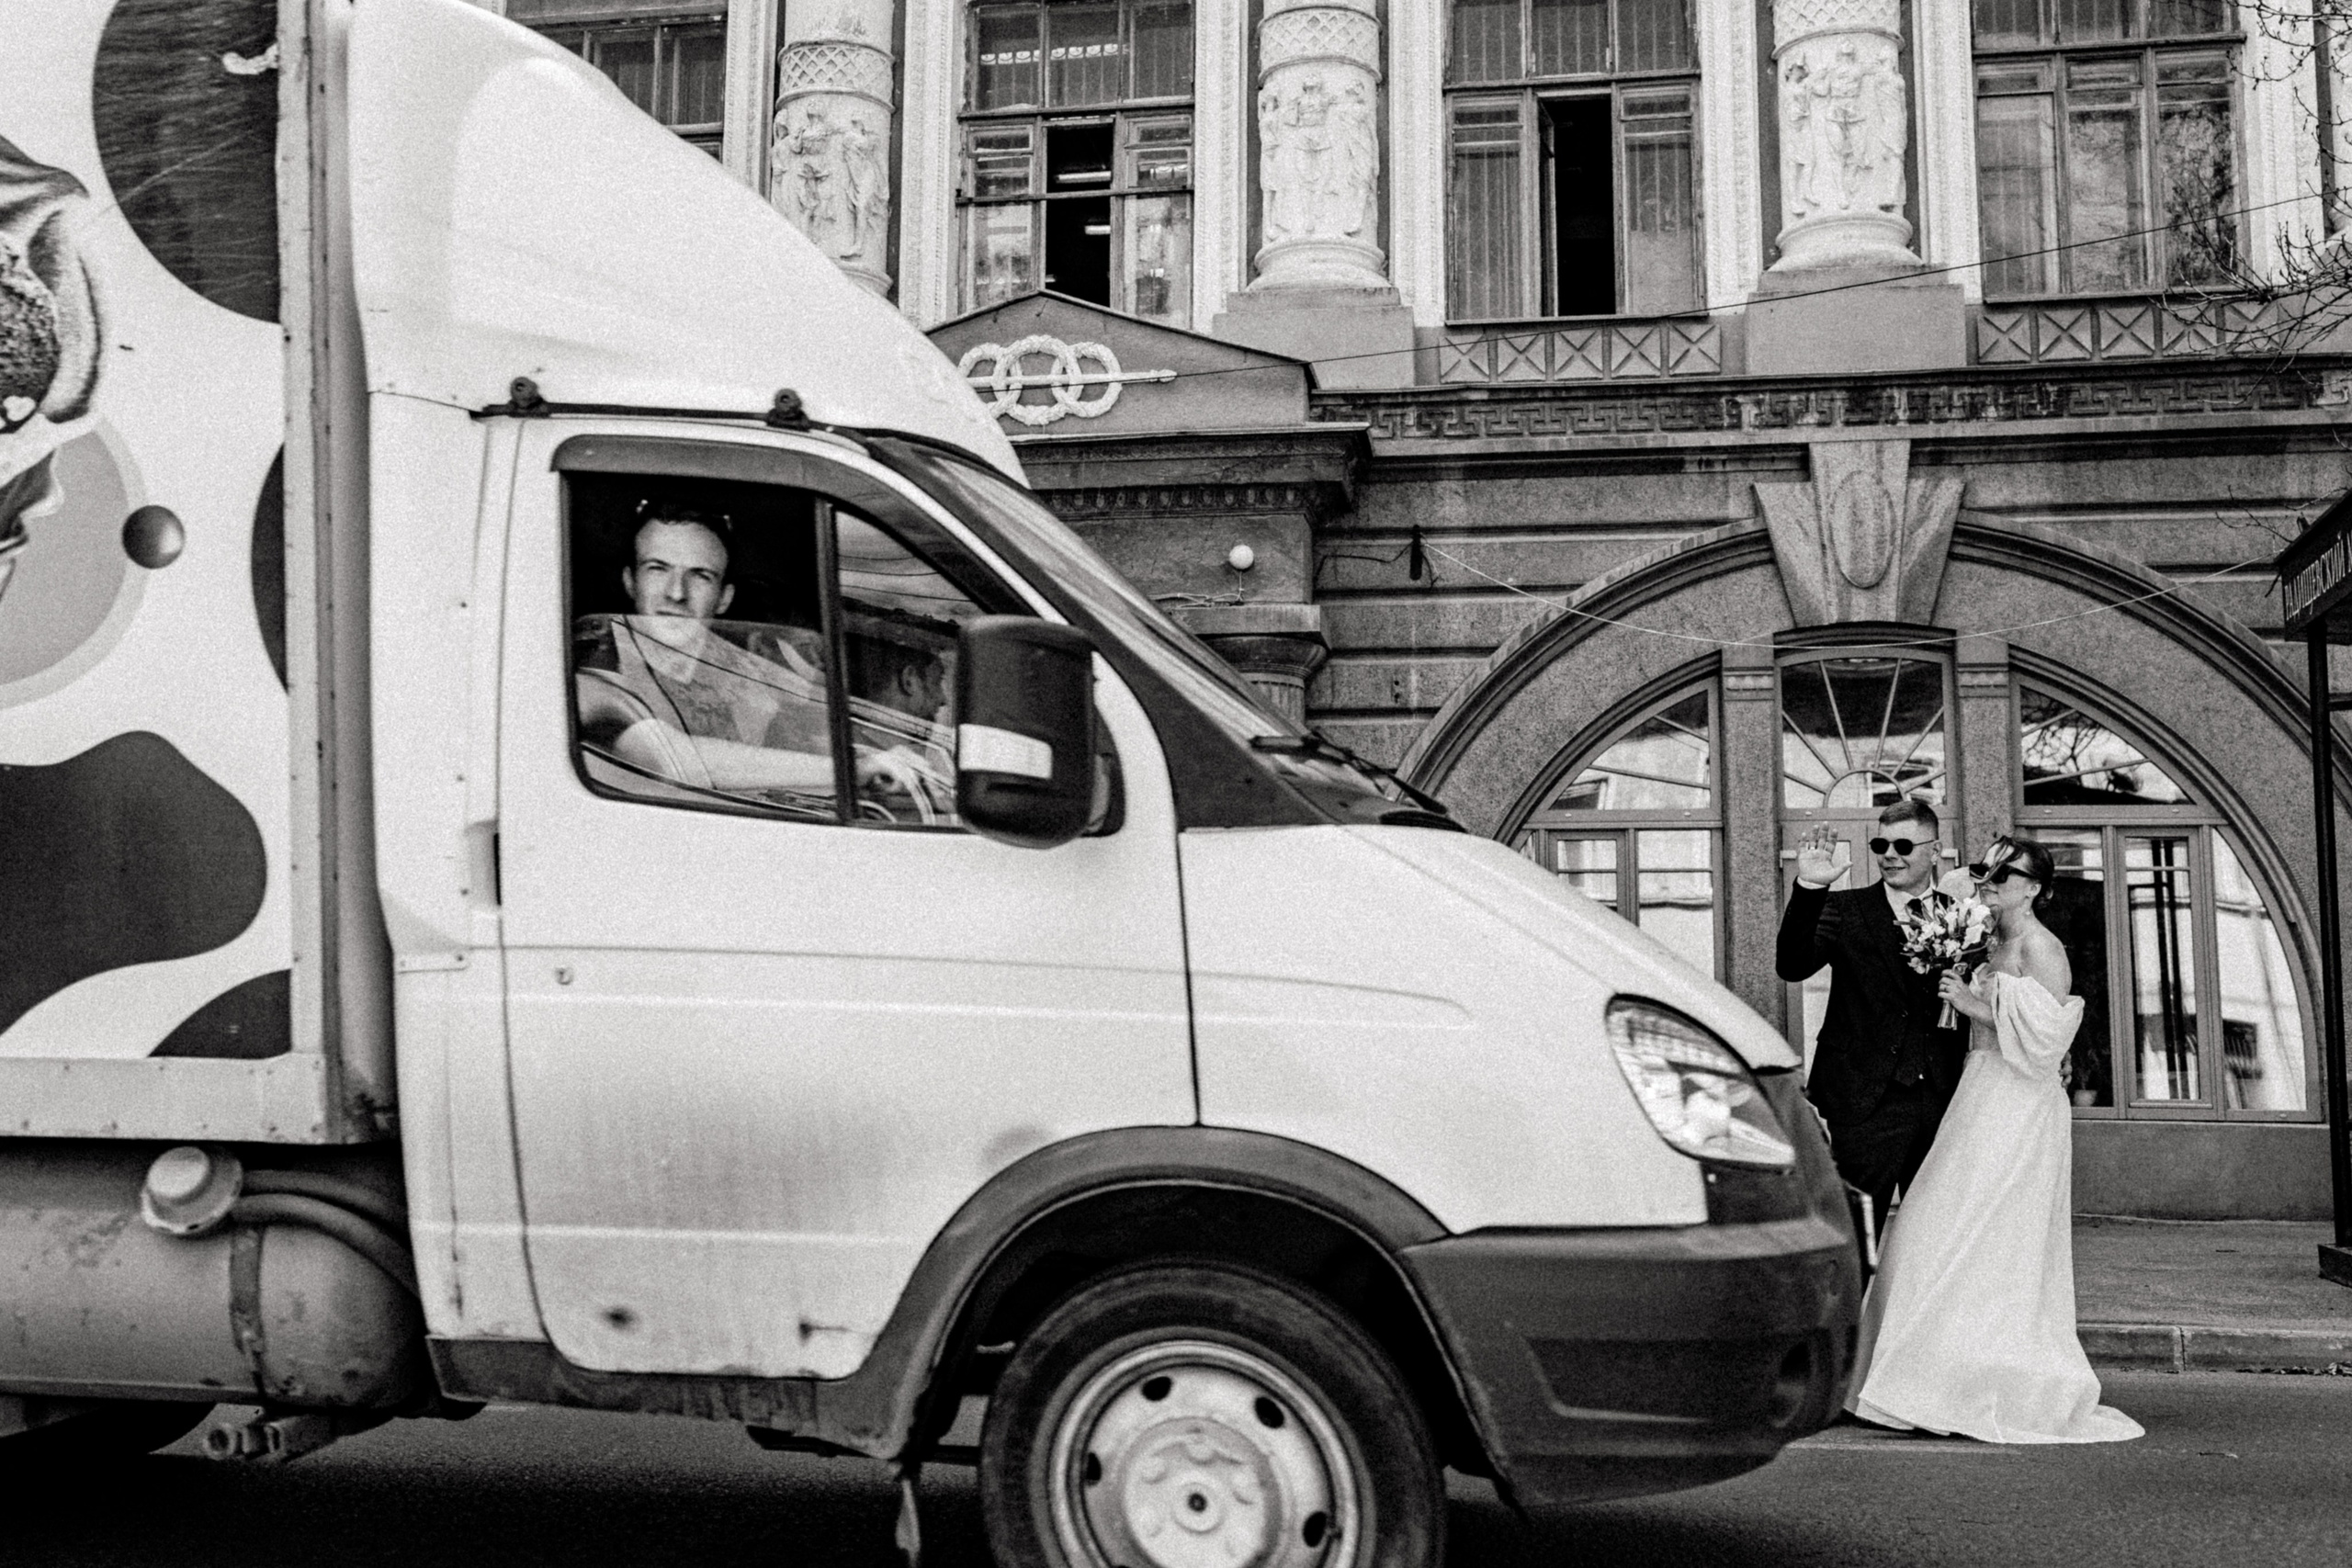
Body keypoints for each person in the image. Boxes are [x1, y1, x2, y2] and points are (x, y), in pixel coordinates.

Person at [1845, 835, 2143, 1444]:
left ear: (2033, 886)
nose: (1990, 880)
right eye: (1987, 869)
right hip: (1978, 1089)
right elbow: (1951, 892)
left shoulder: (2041, 945)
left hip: (2019, 1104)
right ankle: (1915, 1375)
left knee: (1993, 1230)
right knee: (1934, 1222)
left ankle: (1978, 1377)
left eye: (2004, 874)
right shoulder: (1988, 938)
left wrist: (1974, 1005)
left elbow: (2049, 1038)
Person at [574, 507, 920, 803]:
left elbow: (801, 743)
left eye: (700, 576)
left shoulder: (741, 671)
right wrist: (852, 769)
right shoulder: (595, 655)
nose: (676, 593)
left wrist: (878, 759)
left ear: (724, 599)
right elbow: (670, 758)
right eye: (657, 569)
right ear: (630, 582)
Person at [1776, 799, 1969, 1234]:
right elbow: (1792, 964)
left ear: (1935, 851)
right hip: (1864, 1100)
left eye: (1903, 843)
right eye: (1881, 843)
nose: (1889, 853)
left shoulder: (1963, 916)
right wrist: (1809, 887)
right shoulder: (1846, 909)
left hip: (1943, 1099)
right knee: (1856, 1234)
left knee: (1935, 1237)